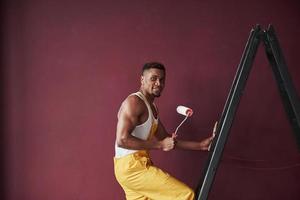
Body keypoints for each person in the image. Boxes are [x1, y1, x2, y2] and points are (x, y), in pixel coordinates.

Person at [114, 62, 216, 200]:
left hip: (134, 166)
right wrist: (161, 145)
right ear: (142, 79)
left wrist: (200, 145)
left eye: (162, 80)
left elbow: (165, 139)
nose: (158, 83)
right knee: (186, 196)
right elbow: (122, 140)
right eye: (153, 78)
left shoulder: (153, 107)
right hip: (131, 167)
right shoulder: (134, 102)